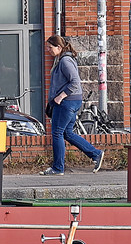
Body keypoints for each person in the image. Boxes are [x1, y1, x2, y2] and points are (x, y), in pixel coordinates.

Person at [43, 36, 103, 175]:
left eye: (50, 47)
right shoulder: (63, 59)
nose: (48, 50)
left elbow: (75, 82)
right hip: (71, 102)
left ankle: (58, 168)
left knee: (57, 133)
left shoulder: (65, 61)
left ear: (59, 47)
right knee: (67, 133)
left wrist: (61, 96)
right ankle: (96, 154)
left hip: (66, 102)